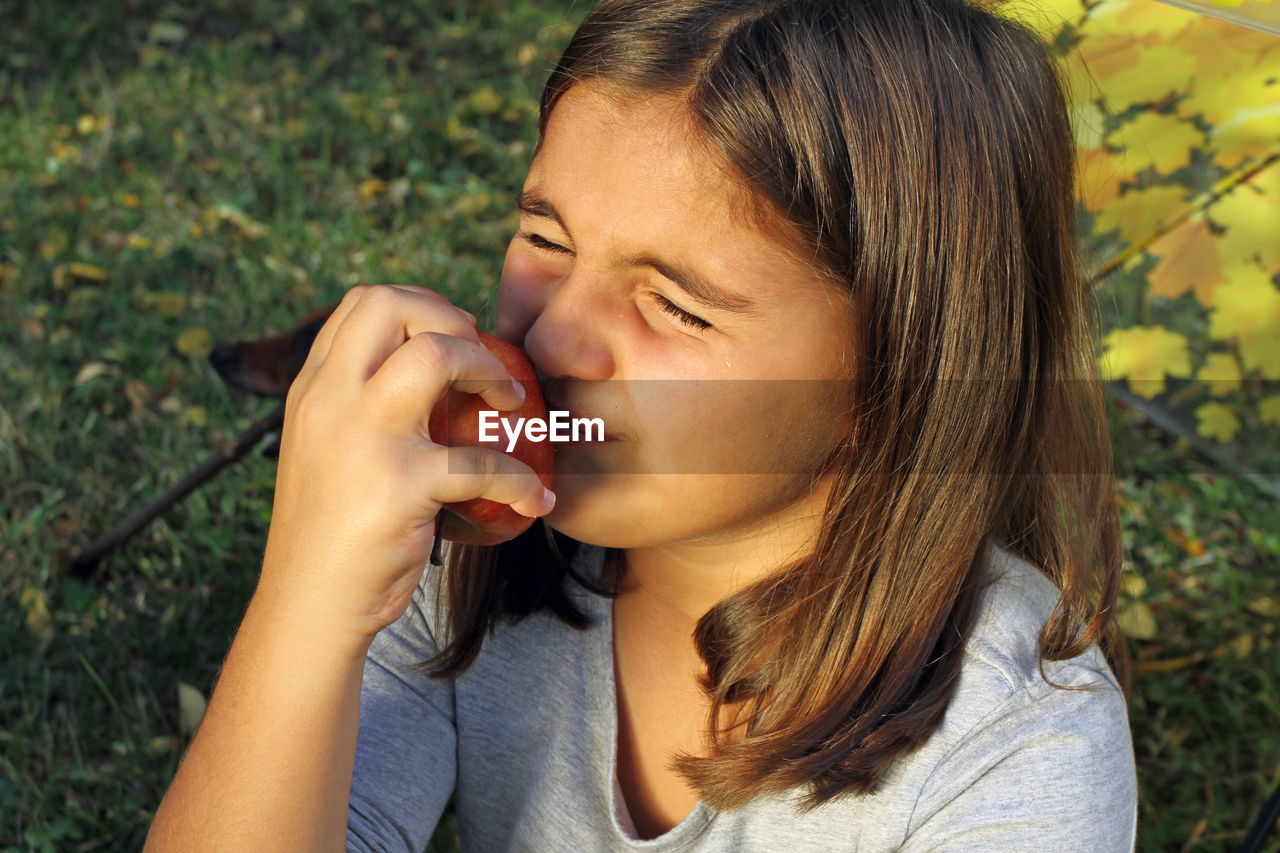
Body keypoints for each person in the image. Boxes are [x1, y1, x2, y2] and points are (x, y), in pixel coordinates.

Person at [146, 0, 1139, 849]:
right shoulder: (457, 557)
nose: (557, 334)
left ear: (896, 375)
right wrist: (310, 596)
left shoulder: (1016, 752)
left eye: (675, 303)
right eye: (544, 237)